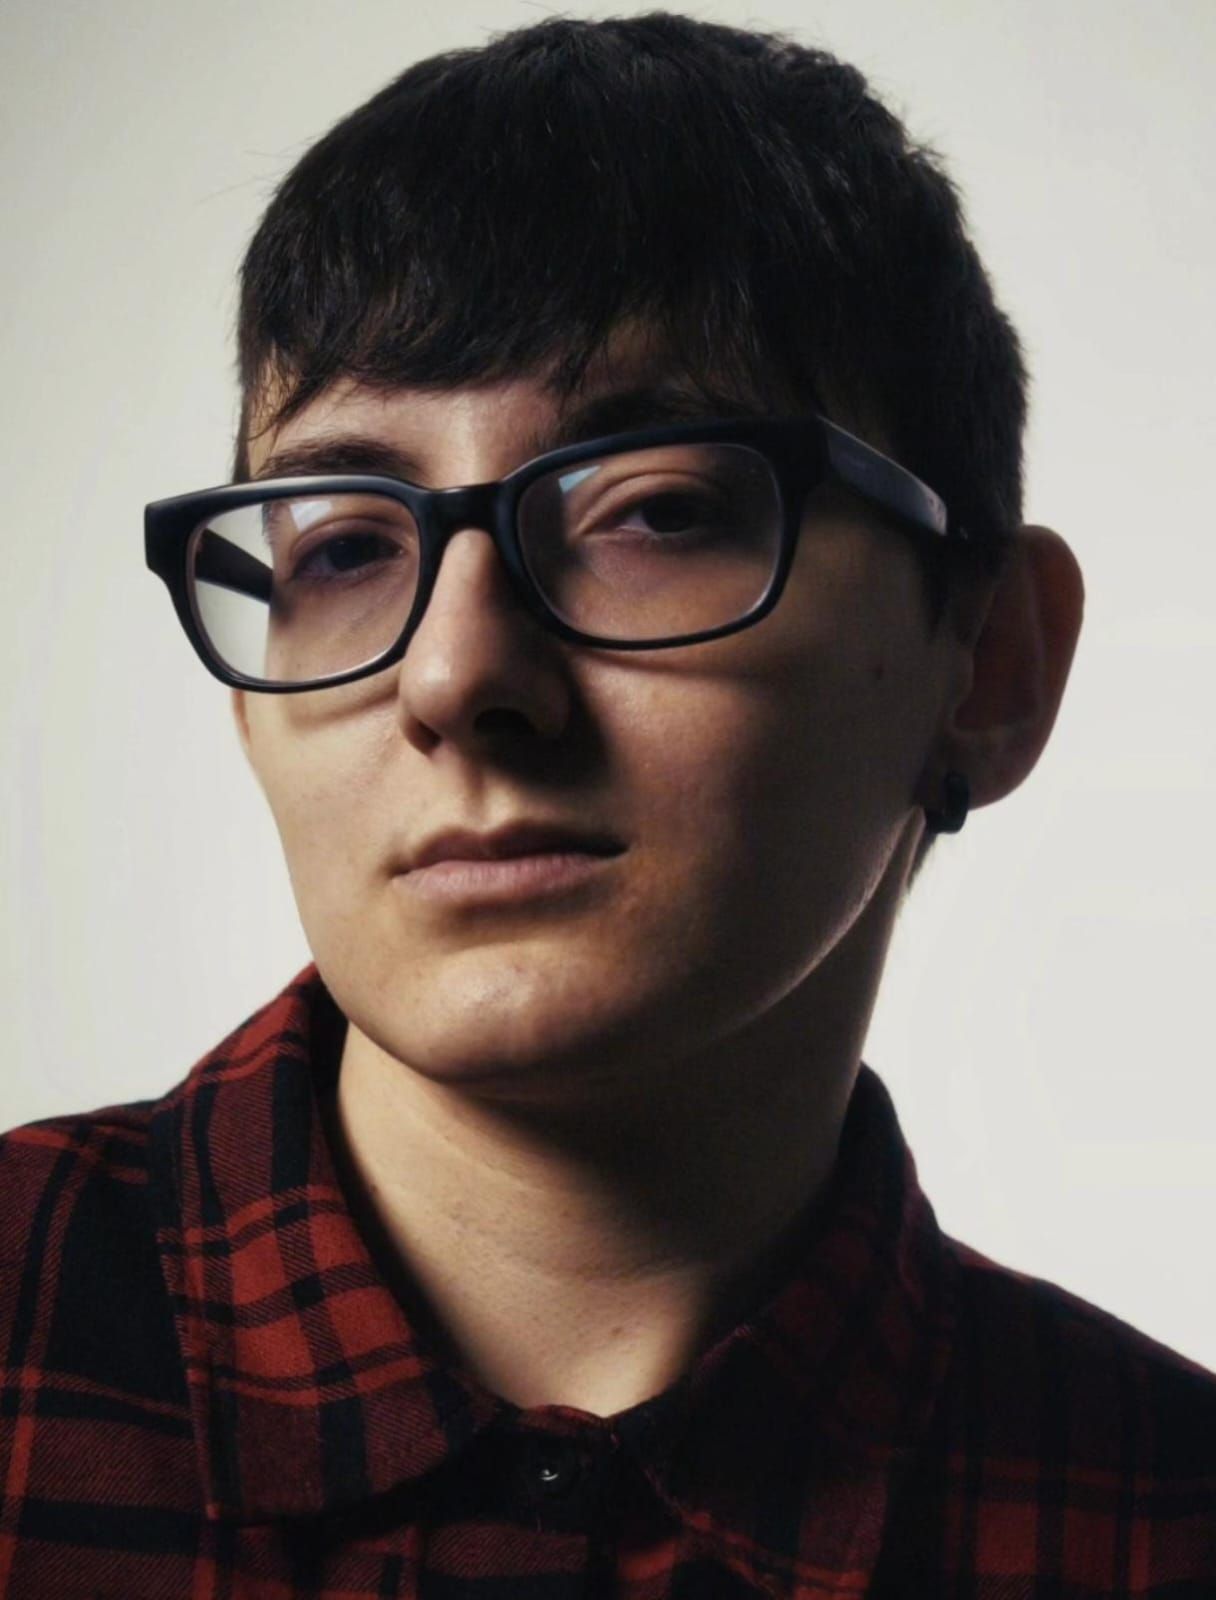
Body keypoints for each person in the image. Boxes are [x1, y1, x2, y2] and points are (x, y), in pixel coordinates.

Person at [0, 12, 1211, 1597]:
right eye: (344, 549)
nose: (454, 674)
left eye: (657, 514)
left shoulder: (1159, 1521)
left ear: (990, 662)